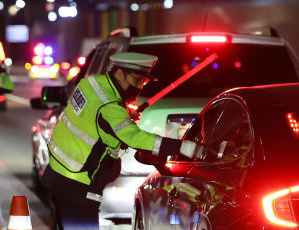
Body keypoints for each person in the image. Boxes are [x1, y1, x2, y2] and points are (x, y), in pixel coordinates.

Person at [41, 52, 198, 229]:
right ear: (120, 73)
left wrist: (122, 111)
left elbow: (92, 112)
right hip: (78, 183)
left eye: (143, 82)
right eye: (137, 80)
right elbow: (135, 137)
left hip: (58, 172)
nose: (140, 86)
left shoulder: (91, 83)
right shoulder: (110, 107)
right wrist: (181, 146)